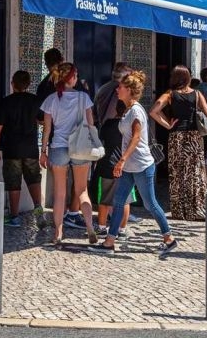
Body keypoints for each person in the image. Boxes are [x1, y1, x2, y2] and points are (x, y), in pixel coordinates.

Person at [90, 71, 178, 255]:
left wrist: (121, 160)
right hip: (130, 165)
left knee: (150, 204)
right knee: (118, 201)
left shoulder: (136, 110)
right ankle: (109, 242)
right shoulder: (128, 109)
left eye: (120, 87)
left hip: (141, 165)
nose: (117, 90)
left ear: (129, 90)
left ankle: (169, 238)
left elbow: (136, 137)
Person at [39, 62, 97, 246]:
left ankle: (58, 232)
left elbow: (47, 130)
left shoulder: (51, 100)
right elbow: (91, 125)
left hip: (58, 147)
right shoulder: (84, 98)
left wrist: (43, 151)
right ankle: (89, 227)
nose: (77, 78)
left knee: (59, 194)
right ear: (70, 77)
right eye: (76, 74)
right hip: (80, 148)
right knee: (82, 191)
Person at [150, 65, 207, 221]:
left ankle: (179, 210)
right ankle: (196, 210)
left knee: (178, 173)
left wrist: (167, 124)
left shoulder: (170, 94)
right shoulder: (197, 94)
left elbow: (153, 111)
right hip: (194, 137)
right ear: (188, 77)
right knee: (195, 172)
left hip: (176, 136)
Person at [0, 70, 45, 228]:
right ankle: (38, 209)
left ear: (12, 83)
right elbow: (43, 121)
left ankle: (14, 217)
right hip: (31, 149)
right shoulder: (35, 101)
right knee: (34, 180)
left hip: (11, 149)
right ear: (28, 84)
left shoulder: (6, 102)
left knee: (13, 183)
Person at [93, 100, 135, 238]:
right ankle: (122, 230)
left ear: (115, 109)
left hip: (107, 165)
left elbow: (101, 140)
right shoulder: (130, 125)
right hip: (125, 166)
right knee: (125, 200)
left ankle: (101, 227)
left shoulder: (108, 124)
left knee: (104, 199)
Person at [93, 62, 132, 128]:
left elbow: (94, 114)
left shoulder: (102, 88)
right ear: (126, 76)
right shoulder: (121, 90)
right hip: (116, 129)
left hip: (103, 129)